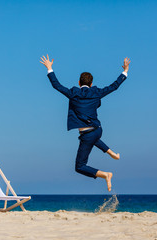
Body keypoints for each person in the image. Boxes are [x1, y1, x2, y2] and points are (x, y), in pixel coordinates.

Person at [40, 55, 131, 191]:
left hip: (88, 134)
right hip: (98, 129)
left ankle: (105, 175)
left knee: (80, 166)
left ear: (79, 82)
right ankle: (112, 153)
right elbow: (114, 86)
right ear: (91, 84)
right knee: (93, 137)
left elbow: (56, 85)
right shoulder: (96, 92)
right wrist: (125, 71)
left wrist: (49, 68)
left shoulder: (73, 93)